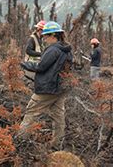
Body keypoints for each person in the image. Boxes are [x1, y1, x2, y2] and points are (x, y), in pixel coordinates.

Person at [19, 21, 73, 150]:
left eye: (46, 36)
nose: (44, 39)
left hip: (47, 88)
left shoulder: (53, 49)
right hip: (61, 88)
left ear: (53, 36)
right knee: (58, 115)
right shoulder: (67, 49)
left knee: (31, 112)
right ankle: (57, 143)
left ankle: (20, 140)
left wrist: (24, 65)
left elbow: (41, 67)